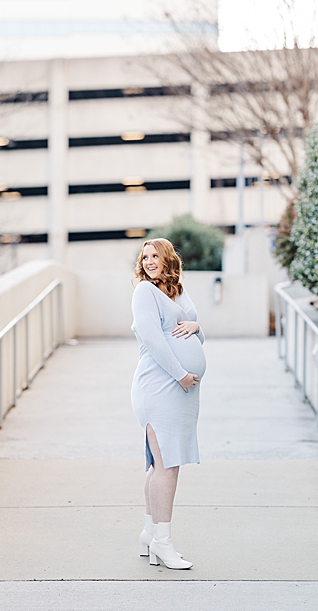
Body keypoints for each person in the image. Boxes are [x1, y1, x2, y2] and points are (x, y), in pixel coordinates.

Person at [131, 237, 205, 570]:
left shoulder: (174, 289)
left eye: (155, 256)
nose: (148, 261)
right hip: (160, 386)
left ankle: (150, 533)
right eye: (144, 256)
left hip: (180, 390)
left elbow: (196, 331)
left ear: (167, 259)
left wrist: (197, 325)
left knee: (159, 464)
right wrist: (180, 375)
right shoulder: (144, 293)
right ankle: (164, 543)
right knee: (167, 465)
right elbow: (153, 339)